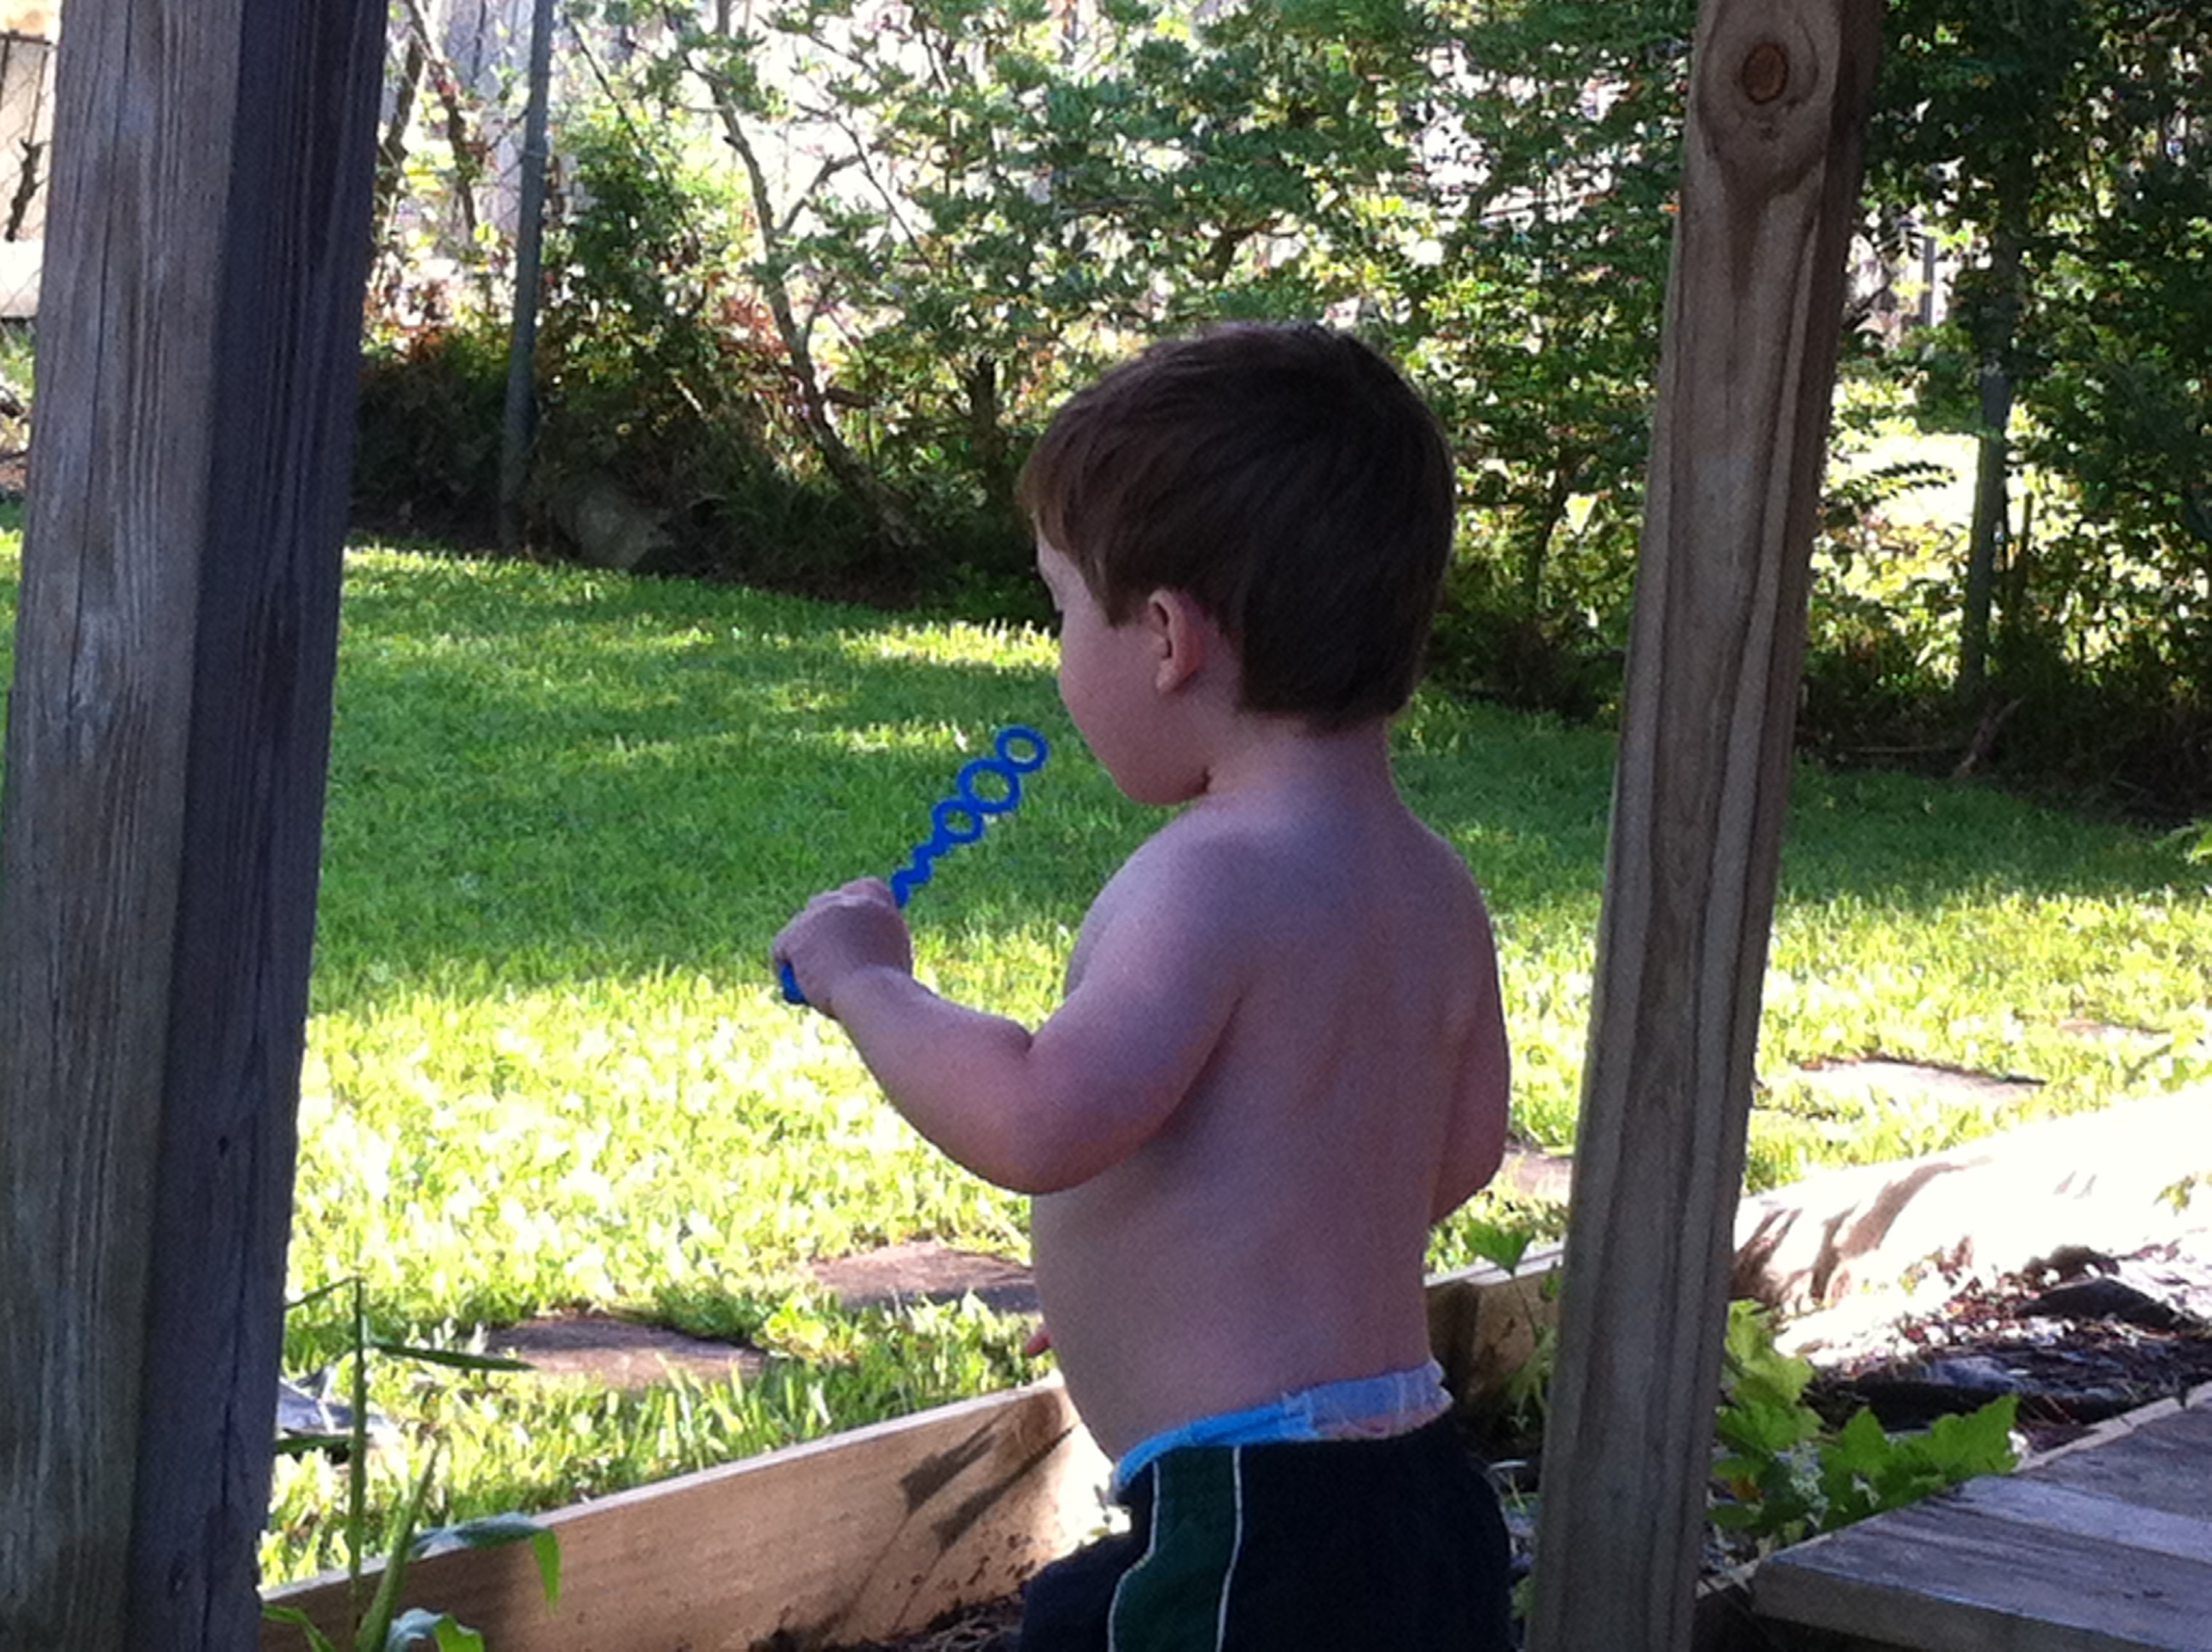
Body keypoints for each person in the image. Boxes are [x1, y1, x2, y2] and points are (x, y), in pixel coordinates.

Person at [773, 321, 1515, 1649]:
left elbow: (1039, 1117)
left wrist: (864, 981)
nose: (1063, 652)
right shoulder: (1433, 883)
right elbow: (1454, 1154)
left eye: (1064, 611)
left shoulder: (1210, 875)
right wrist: (1161, 1286)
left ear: (1167, 636)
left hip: (1256, 1525)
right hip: (1417, 1489)